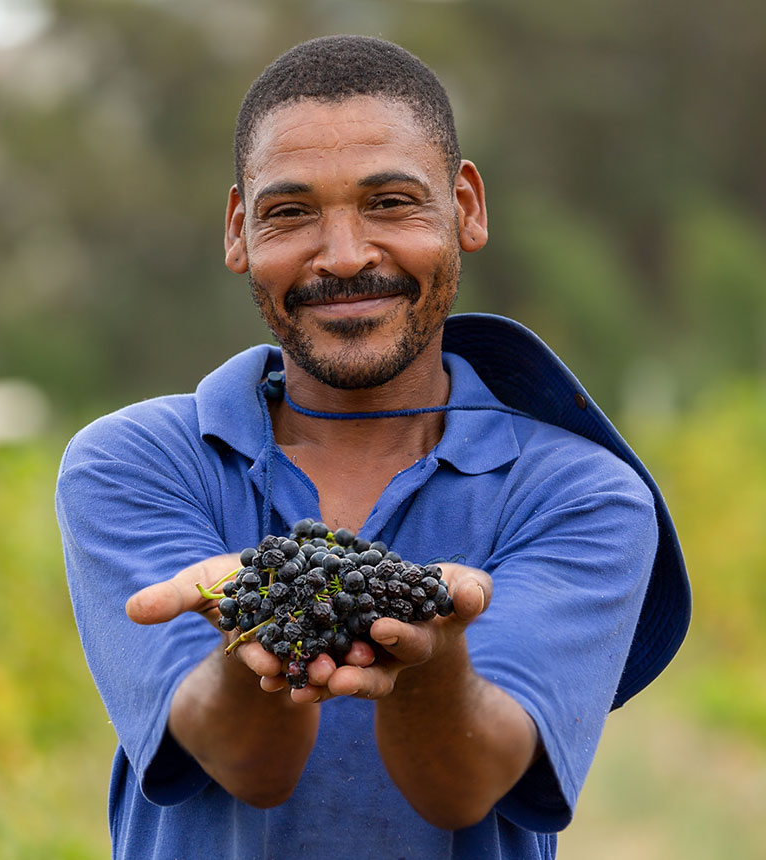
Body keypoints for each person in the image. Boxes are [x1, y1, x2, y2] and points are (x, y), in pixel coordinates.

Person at [56, 34, 689, 860]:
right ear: (240, 230)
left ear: (465, 207)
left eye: (390, 202)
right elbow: (247, 763)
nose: (346, 256)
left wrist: (434, 662)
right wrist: (260, 623)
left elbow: (466, 784)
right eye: (291, 213)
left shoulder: (580, 494)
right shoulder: (138, 463)